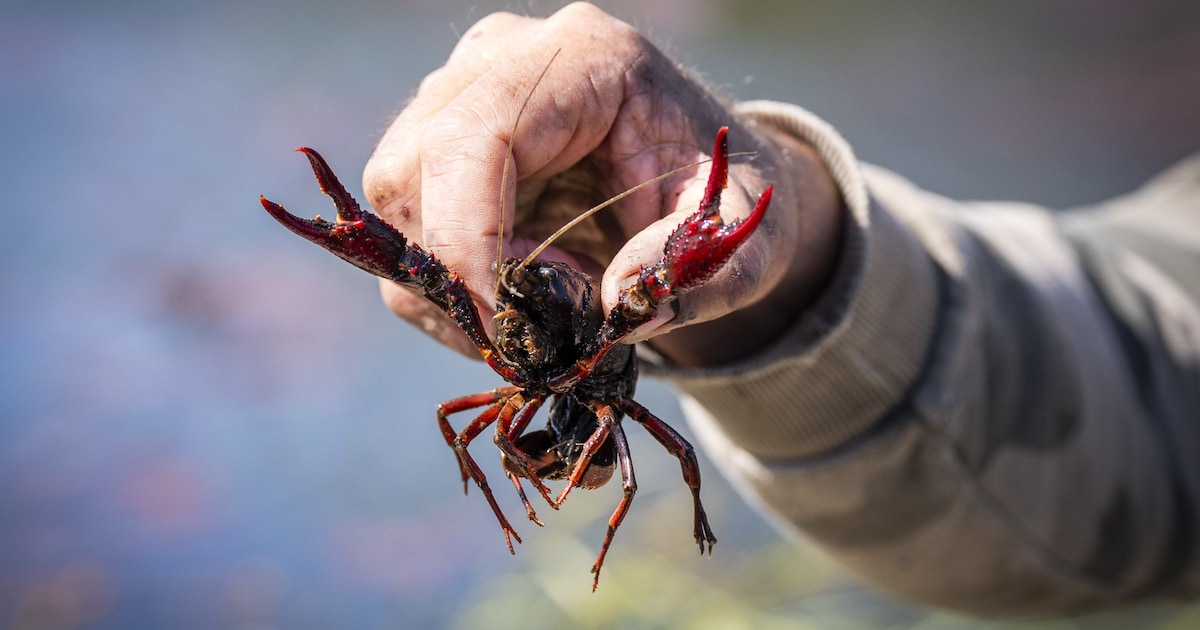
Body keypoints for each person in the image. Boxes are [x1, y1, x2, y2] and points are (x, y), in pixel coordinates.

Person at [361, 3, 1200, 616]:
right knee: (466, 414)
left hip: (596, 408)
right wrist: (802, 251)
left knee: (657, 454)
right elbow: (1154, 350)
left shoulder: (602, 350)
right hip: (560, 394)